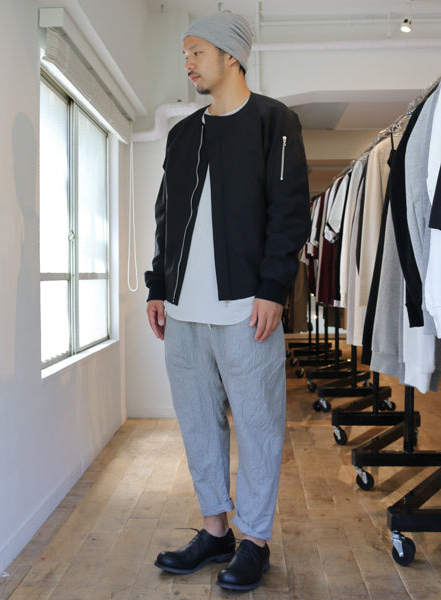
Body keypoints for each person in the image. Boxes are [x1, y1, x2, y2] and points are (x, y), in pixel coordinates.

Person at [145, 10, 310, 591]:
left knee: (260, 427)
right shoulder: (182, 134)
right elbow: (166, 215)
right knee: (198, 426)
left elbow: (289, 212)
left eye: (197, 51)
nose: (187, 63)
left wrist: (273, 288)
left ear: (230, 55)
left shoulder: (275, 121)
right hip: (183, 313)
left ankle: (254, 540)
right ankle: (216, 530)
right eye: (185, 53)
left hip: (246, 309)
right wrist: (158, 285)